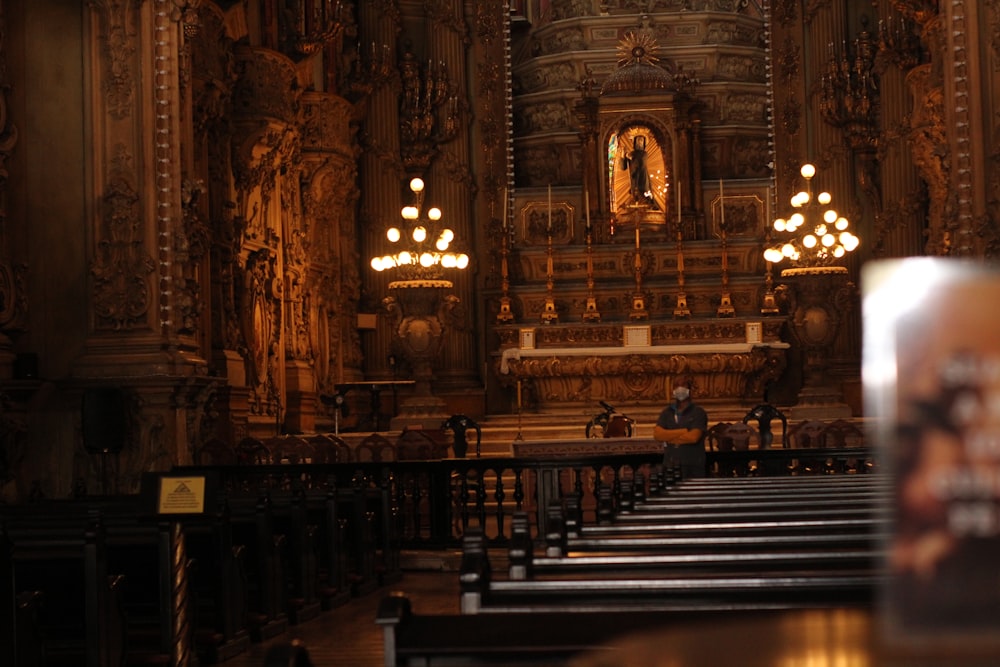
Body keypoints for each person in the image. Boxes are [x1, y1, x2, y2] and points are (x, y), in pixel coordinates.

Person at [653, 382, 708, 478]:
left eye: (683, 386)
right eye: (677, 387)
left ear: (690, 391)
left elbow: (693, 437)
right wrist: (683, 432)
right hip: (670, 463)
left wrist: (668, 437)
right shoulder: (667, 412)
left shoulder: (698, 412)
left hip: (692, 464)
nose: (680, 389)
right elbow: (658, 435)